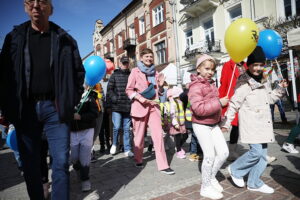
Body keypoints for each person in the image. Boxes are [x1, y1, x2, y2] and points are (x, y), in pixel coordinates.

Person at [0, 0, 85, 199]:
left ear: (51, 8)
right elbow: (3, 75)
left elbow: (78, 73)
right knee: (30, 165)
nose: (36, 6)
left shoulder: (65, 39)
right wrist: (8, 107)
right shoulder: (14, 38)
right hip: (25, 109)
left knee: (61, 162)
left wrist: (69, 101)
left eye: (42, 1)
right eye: (31, 1)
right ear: (25, 7)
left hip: (55, 108)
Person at [221, 46, 287, 194]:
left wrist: (280, 90)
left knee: (263, 157)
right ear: (248, 65)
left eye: (261, 65)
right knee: (256, 153)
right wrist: (226, 123)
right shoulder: (244, 84)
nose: (258, 68)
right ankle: (235, 169)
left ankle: (254, 182)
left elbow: (269, 99)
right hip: (251, 125)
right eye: (255, 65)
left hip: (263, 123)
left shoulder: (264, 81)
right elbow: (234, 104)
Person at [126, 48, 175, 175]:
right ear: (141, 58)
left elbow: (160, 93)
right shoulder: (135, 72)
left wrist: (161, 85)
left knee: (158, 135)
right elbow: (129, 90)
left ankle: (163, 165)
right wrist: (142, 99)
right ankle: (138, 159)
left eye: (151, 57)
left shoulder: (156, 72)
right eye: (146, 56)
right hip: (139, 106)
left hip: (154, 106)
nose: (149, 59)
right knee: (139, 136)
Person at [188, 54, 229, 199]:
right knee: (209, 155)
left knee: (224, 153)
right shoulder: (195, 87)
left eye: (212, 69)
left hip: (213, 124)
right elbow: (198, 108)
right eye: (206, 68)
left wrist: (221, 118)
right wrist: (219, 103)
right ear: (198, 69)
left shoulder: (212, 84)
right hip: (200, 124)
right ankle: (205, 187)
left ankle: (211, 178)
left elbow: (213, 106)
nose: (210, 72)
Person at [70, 87, 99, 192]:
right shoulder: (68, 95)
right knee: (74, 157)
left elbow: (95, 113)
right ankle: (78, 169)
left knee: (85, 157)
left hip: (87, 131)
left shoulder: (90, 97)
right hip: (72, 132)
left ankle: (85, 179)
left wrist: (81, 117)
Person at [219, 59, 247, 161]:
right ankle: (221, 150)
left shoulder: (246, 65)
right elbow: (224, 82)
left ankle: (232, 151)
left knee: (241, 126)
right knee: (227, 125)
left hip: (245, 99)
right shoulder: (228, 65)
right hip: (232, 98)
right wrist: (221, 98)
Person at [107, 55, 133, 157]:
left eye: (127, 63)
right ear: (120, 64)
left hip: (127, 105)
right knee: (117, 127)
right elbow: (109, 89)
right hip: (117, 106)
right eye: (124, 63)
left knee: (127, 129)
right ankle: (114, 144)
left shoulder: (131, 75)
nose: (125, 65)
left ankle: (127, 149)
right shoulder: (114, 75)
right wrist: (114, 98)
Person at [179, 84, 202, 162]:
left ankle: (196, 152)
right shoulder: (187, 96)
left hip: (197, 119)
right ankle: (193, 153)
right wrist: (187, 89)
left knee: (196, 136)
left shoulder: (198, 94)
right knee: (194, 137)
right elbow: (182, 96)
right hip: (190, 120)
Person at [166, 87, 188, 159]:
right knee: (178, 137)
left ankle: (178, 147)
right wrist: (175, 123)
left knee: (185, 136)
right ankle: (178, 151)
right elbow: (172, 114)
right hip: (176, 124)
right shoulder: (173, 103)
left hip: (182, 123)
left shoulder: (180, 102)